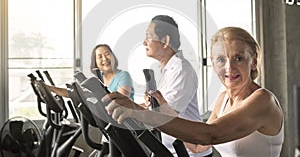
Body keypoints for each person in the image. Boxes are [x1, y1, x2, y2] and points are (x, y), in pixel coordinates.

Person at [103, 26, 284, 157]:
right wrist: (164, 110)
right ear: (213, 62)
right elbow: (199, 146)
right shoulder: (224, 100)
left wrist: (140, 113)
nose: (230, 68)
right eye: (221, 59)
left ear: (253, 60)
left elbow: (209, 135)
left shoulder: (263, 100)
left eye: (238, 58)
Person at [141, 15, 212, 157]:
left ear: (165, 41)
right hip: (170, 151)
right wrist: (150, 103)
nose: (144, 42)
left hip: (188, 153)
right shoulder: (165, 69)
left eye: (149, 36)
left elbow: (168, 116)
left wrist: (134, 110)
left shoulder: (181, 70)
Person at [48, 44, 135, 156]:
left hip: (126, 127)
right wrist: (50, 88)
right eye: (100, 56)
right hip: (110, 130)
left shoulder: (123, 76)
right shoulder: (99, 81)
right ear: (95, 62)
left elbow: (122, 99)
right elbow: (73, 93)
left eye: (107, 54)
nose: (105, 59)